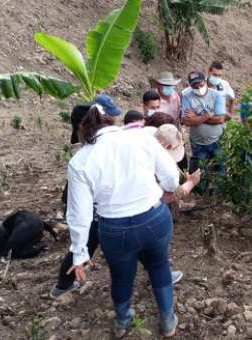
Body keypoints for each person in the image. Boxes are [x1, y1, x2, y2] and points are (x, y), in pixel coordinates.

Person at [65, 105, 201, 337]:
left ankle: (122, 321)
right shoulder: (140, 138)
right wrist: (166, 190)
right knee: (159, 266)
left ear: (81, 128)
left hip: (114, 230)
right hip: (154, 219)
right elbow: (170, 178)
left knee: (120, 276)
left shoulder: (80, 161)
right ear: (108, 120)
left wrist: (79, 253)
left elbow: (80, 214)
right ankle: (168, 321)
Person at [50, 95, 122, 299]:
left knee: (86, 245)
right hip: (86, 202)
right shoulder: (88, 152)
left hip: (87, 200)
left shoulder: (95, 142)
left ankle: (63, 284)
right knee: (85, 244)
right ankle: (63, 285)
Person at [181, 71, 227, 173]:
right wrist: (208, 115)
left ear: (205, 81)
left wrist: (196, 117)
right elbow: (186, 121)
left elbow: (220, 119)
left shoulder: (217, 95)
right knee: (199, 172)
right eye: (195, 87)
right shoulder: (187, 97)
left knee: (220, 169)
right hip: (198, 143)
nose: (198, 89)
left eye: (201, 85)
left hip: (217, 140)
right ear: (190, 86)